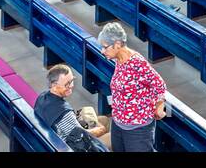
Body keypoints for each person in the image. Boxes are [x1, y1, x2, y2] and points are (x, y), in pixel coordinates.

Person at [98, 22, 166, 152]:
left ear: (117, 45)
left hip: (137, 129)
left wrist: (159, 106)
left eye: (105, 47)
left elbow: (159, 84)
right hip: (118, 124)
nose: (102, 51)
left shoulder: (137, 63)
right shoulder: (118, 59)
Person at [33, 64, 107, 152]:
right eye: (67, 84)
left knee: (104, 119)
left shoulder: (42, 96)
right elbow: (82, 138)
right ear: (54, 85)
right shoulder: (64, 114)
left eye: (72, 80)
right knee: (111, 134)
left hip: (51, 139)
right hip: (68, 147)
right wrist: (101, 129)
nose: (71, 85)